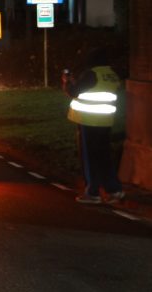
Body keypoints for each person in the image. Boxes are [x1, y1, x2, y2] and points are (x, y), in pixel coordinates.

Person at [62, 47, 124, 204]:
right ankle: (114, 189)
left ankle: (92, 192)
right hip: (105, 121)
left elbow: (74, 91)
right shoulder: (111, 74)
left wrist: (66, 82)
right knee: (104, 156)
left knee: (89, 158)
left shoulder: (92, 74)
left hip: (88, 120)